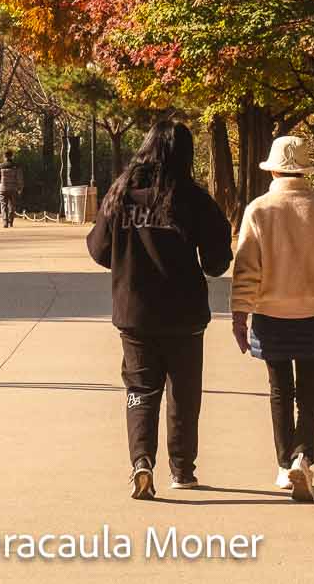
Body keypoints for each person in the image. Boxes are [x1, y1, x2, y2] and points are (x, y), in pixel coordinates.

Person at [86, 119, 234, 500]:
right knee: (183, 393)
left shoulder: (120, 194)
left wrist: (129, 255)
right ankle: (182, 470)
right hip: (184, 316)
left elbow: (99, 250)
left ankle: (141, 462)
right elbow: (218, 261)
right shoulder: (193, 198)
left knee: (140, 390)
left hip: (134, 313)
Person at [230, 134, 314, 503]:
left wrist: (240, 313)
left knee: (280, 391)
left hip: (271, 314)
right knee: (310, 392)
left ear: (274, 169)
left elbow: (247, 268)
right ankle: (304, 456)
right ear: (304, 169)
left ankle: (285, 466)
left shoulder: (259, 210)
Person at [0, 156, 23, 226]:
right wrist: (20, 188)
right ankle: (10, 221)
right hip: (13, 188)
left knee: (3, 205)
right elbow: (20, 179)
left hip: (2, 189)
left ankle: (5, 221)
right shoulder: (17, 167)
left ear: (4, 157)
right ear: (12, 157)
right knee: (12, 205)